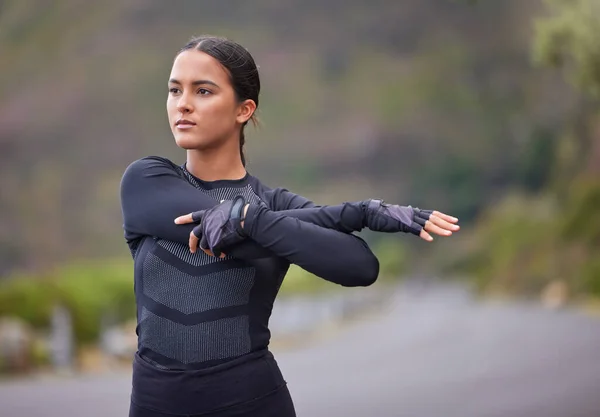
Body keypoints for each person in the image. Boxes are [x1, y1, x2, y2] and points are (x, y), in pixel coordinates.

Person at [120, 35, 459, 417]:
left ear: (243, 109)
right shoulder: (147, 183)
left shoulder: (273, 205)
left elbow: (360, 267)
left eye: (203, 91)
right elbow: (227, 233)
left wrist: (254, 218)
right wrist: (356, 213)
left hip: (252, 402)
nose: (183, 104)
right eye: (174, 90)